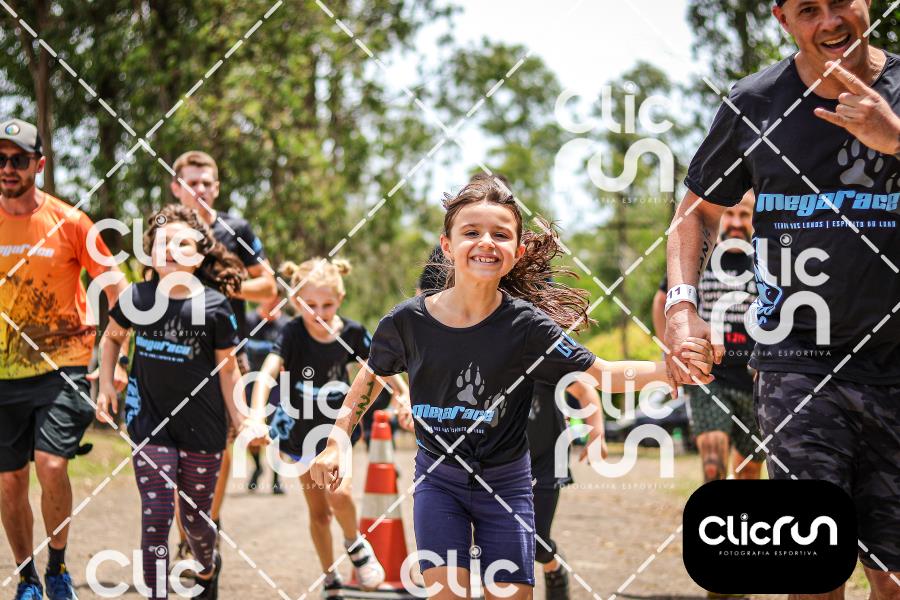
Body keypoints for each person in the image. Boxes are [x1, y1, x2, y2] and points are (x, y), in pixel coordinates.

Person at [312, 174, 714, 599]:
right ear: (447, 245)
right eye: (471, 232)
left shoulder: (527, 327)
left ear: (517, 252)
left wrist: (670, 368)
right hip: (439, 480)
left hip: (506, 484)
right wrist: (337, 438)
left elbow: (601, 373)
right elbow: (372, 375)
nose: (486, 242)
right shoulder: (407, 322)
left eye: (500, 234)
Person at [664, 0, 900, 596]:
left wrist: (895, 140)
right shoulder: (755, 102)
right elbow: (695, 213)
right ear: (782, 19)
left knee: (893, 578)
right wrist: (682, 306)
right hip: (797, 358)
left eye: (840, 2)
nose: (830, 21)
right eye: (808, 9)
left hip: (895, 360)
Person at [416, 236, 607, 600]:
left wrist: (596, 429)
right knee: (471, 537)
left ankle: (552, 567)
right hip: (479, 460)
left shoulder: (534, 339)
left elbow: (586, 385)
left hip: (541, 455)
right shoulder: (455, 342)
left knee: (536, 542)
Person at [95, 204, 262, 599]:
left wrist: (243, 419)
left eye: (182, 243)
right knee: (156, 517)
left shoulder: (215, 306)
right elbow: (111, 339)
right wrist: (105, 384)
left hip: (203, 427)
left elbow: (228, 370)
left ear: (200, 256)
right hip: (148, 422)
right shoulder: (136, 297)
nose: (170, 249)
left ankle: (206, 565)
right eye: (162, 242)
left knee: (195, 520)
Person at [0, 118, 129, 600]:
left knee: (51, 465)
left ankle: (57, 567)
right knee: (9, 481)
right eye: (0, 159)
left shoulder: (71, 222)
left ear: (39, 164)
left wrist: (115, 358)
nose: (7, 168)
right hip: (4, 373)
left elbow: (118, 290)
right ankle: (27, 578)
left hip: (64, 365)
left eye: (18, 159)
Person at [247, 258, 410, 595]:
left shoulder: (352, 333)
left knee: (340, 493)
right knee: (319, 514)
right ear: (296, 301)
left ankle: (354, 544)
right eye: (310, 305)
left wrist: (403, 394)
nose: (318, 313)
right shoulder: (292, 333)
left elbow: (380, 367)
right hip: (299, 435)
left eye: (327, 305)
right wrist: (256, 415)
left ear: (341, 298)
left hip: (338, 430)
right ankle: (330, 578)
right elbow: (266, 374)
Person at [168, 150, 277, 549]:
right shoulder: (164, 228)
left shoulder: (237, 229)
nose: (198, 189)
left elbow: (268, 287)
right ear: (175, 187)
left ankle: (207, 527)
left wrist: (225, 288)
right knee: (173, 450)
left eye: (206, 183)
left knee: (221, 446)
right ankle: (186, 536)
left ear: (216, 188)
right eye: (191, 182)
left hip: (227, 351)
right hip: (173, 349)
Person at [652, 191, 763, 484]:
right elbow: (663, 299)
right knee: (713, 466)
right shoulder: (700, 255)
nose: (736, 222)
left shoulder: (765, 259)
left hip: (754, 378)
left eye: (744, 214)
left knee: (749, 473)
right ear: (720, 216)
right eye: (730, 214)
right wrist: (670, 349)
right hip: (708, 374)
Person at [244, 295, 290, 495]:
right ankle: (257, 467)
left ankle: (276, 479)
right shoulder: (247, 321)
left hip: (278, 386)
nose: (272, 303)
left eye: (276, 299)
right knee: (251, 432)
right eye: (268, 298)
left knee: (277, 432)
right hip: (249, 383)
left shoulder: (287, 325)